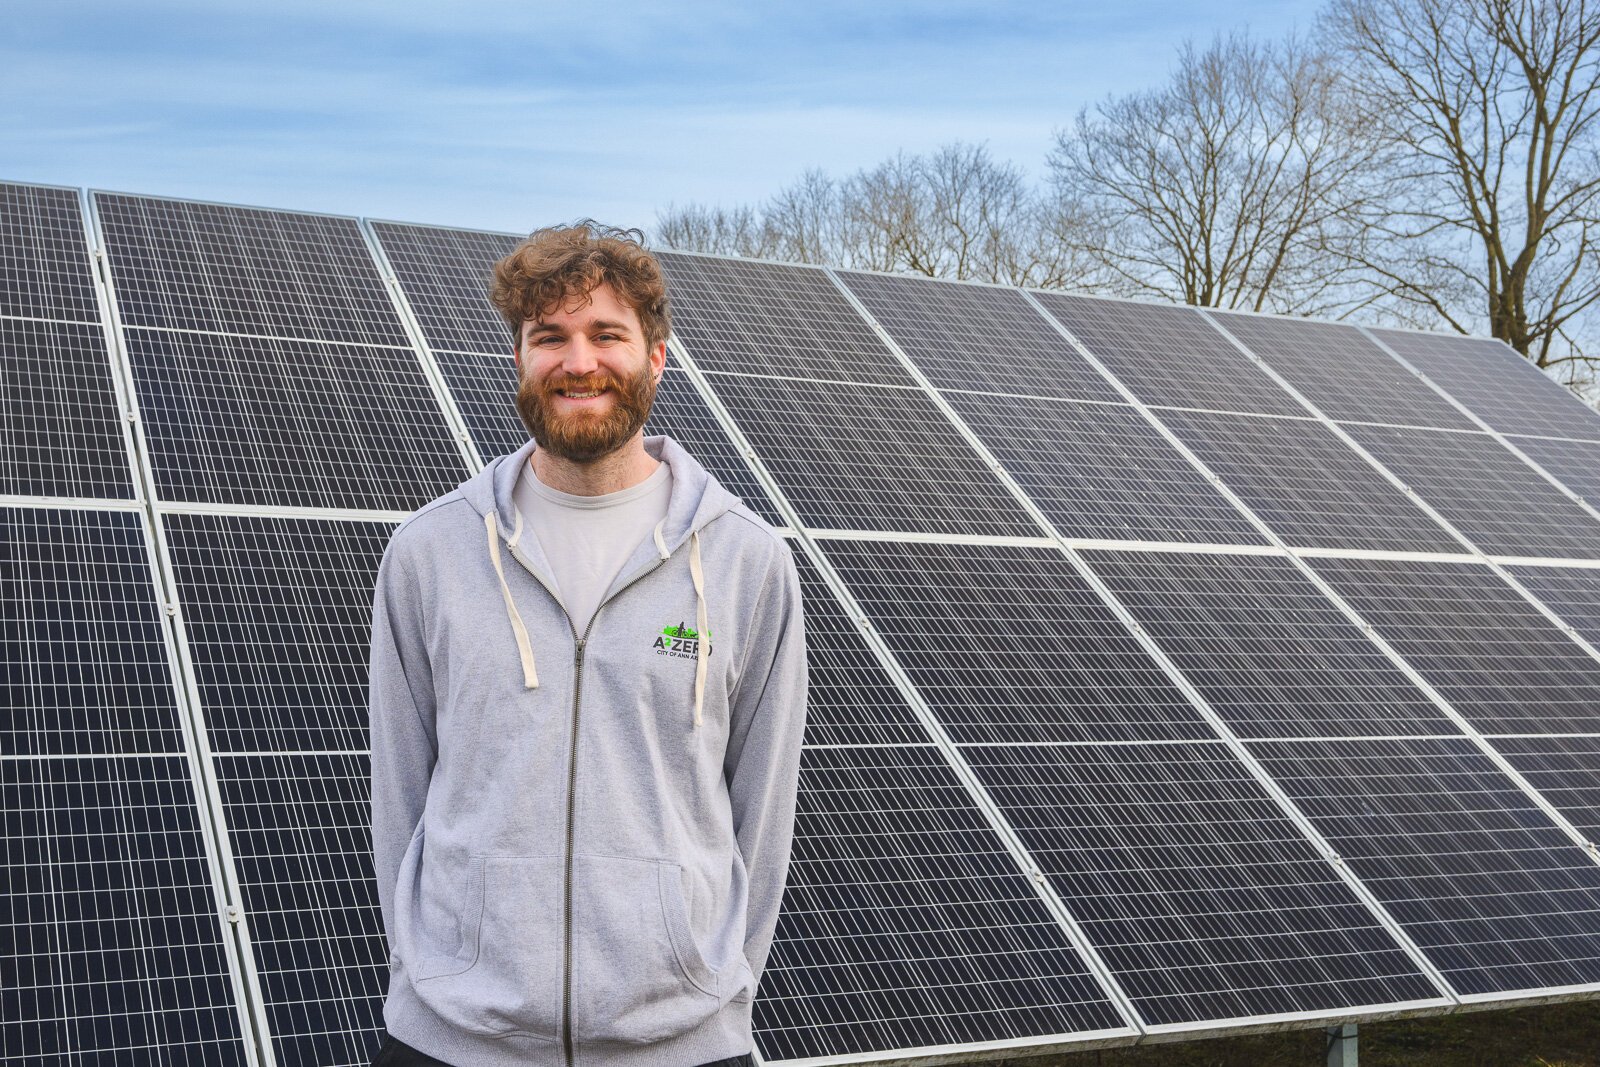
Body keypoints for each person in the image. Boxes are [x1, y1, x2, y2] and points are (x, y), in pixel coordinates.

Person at [367, 222, 808, 1067]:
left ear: (656, 357)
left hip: (683, 1044)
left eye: (607, 334)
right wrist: (433, 971)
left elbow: (764, 808)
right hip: (451, 1041)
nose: (579, 362)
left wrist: (713, 985)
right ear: (520, 358)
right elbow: (401, 793)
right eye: (550, 338)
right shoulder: (429, 553)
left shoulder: (749, 561)